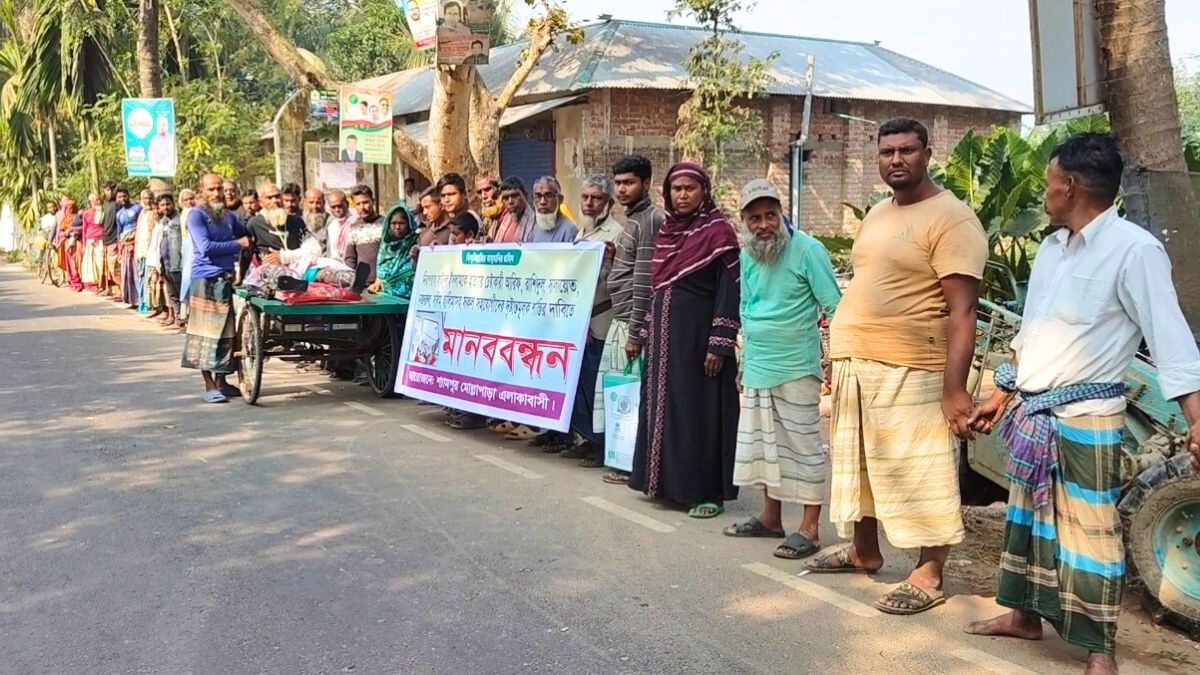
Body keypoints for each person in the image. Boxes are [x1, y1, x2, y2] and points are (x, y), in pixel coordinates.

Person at [963, 134, 1200, 675]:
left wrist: (1197, 420)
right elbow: (1034, 333)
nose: (1044, 193)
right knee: (1027, 519)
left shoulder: (1134, 251)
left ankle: (1099, 649)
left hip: (1089, 417)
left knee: (1090, 534)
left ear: (1069, 186)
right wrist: (1002, 393)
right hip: (1035, 413)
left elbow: (1171, 340)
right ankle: (1024, 615)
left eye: (1049, 183)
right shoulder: (1051, 249)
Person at [805, 117, 986, 617]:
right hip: (858, 366)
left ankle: (928, 573)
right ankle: (865, 550)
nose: (896, 160)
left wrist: (955, 390)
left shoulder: (952, 219)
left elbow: (963, 311)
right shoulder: (879, 213)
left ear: (929, 154)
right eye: (887, 152)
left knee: (919, 471)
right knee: (861, 465)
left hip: (913, 367)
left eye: (907, 150)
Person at [721, 179, 841, 559]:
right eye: (754, 218)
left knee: (804, 447)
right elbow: (746, 306)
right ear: (743, 220)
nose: (763, 225)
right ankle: (771, 517)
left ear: (781, 213)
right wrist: (744, 360)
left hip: (796, 367)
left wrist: (838, 361)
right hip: (758, 365)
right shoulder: (748, 253)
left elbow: (835, 307)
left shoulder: (808, 250)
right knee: (763, 445)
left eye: (770, 215)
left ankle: (810, 527)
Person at [627, 162, 741, 519]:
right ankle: (663, 483)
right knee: (665, 410)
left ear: (704, 191)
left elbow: (729, 291)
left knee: (699, 416)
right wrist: (644, 334)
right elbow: (657, 289)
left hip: (698, 345)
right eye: (676, 189)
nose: (683, 195)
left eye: (690, 188)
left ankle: (706, 492)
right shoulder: (668, 232)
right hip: (664, 344)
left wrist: (718, 344)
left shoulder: (718, 233)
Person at [591, 155, 665, 485]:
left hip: (631, 325)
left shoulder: (649, 220)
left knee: (631, 396)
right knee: (620, 395)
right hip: (622, 320)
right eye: (618, 183)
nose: (622, 189)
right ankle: (625, 461)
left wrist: (635, 332)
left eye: (629, 182)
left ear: (646, 184)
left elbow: (644, 279)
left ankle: (634, 465)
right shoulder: (633, 220)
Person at [560, 175, 625, 466]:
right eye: (585, 197)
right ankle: (586, 439)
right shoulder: (580, 232)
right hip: (579, 321)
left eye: (596, 198)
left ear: (608, 203)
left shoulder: (617, 234)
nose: (589, 203)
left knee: (596, 382)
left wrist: (610, 261)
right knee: (579, 385)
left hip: (602, 319)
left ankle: (601, 446)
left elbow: (621, 281)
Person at [181, 173, 252, 403]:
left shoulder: (229, 217)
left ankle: (222, 381)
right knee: (205, 333)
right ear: (202, 191)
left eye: (219, 188)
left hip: (225, 280)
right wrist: (237, 244)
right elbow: (205, 247)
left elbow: (247, 233)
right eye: (211, 189)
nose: (216, 193)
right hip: (204, 280)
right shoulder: (196, 215)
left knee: (226, 333)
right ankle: (209, 384)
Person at [367, 204, 419, 300]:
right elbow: (380, 276)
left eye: (402, 223)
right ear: (388, 224)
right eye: (393, 223)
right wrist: (377, 283)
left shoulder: (416, 243)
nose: (397, 227)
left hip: (408, 300)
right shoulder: (385, 246)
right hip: (384, 299)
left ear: (409, 224)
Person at [246, 181, 306, 259]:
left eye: (277, 196)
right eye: (269, 198)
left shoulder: (296, 221)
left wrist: (286, 257)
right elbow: (247, 252)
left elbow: (311, 246)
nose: (275, 201)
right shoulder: (254, 224)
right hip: (268, 268)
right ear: (260, 202)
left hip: (296, 265)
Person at [342, 184, 385, 285]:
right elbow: (350, 258)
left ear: (373, 201)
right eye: (358, 204)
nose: (362, 207)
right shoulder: (354, 228)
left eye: (365, 202)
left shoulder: (385, 224)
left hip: (382, 283)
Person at [157, 192, 183, 328]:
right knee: (172, 293)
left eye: (168, 204)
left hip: (177, 264)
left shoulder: (179, 220)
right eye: (162, 205)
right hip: (165, 264)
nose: (165, 207)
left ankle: (183, 320)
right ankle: (178, 319)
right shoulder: (163, 222)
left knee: (181, 293)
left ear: (173, 204)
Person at [529, 176, 577, 243]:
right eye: (538, 196)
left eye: (548, 195)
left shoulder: (569, 230)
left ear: (560, 199)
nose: (542, 202)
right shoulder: (534, 227)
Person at [116, 188, 142, 308]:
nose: (122, 199)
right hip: (125, 247)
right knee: (127, 273)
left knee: (138, 272)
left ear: (128, 195)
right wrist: (119, 248)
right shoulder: (119, 214)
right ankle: (132, 300)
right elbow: (119, 231)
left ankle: (141, 300)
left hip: (137, 245)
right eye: (119, 197)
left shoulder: (137, 208)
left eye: (124, 196)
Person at [144, 193, 169, 319]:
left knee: (163, 288)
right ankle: (159, 309)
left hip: (160, 260)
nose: (156, 211)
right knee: (154, 287)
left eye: (157, 208)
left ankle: (166, 311)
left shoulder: (165, 223)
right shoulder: (157, 223)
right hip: (152, 258)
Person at [133, 188, 156, 311]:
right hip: (141, 250)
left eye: (150, 198)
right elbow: (138, 233)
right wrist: (136, 250)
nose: (148, 201)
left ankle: (150, 304)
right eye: (145, 198)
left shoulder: (155, 212)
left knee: (149, 278)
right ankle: (143, 303)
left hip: (151, 250)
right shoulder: (142, 212)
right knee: (141, 276)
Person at [492, 177, 534, 243]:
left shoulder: (535, 223)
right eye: (506, 198)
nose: (510, 201)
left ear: (525, 196)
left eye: (515, 196)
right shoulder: (502, 220)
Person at [55, 199, 83, 292]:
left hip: (78, 243)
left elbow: (83, 227)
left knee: (78, 263)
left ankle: (80, 282)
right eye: (68, 208)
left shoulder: (78, 217)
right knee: (70, 264)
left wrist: (73, 231)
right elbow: (60, 233)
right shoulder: (64, 220)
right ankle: (74, 283)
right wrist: (66, 233)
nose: (70, 210)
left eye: (72, 207)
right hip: (68, 245)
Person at [80, 193, 106, 293]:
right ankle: (92, 284)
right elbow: (84, 229)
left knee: (100, 262)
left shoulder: (103, 211)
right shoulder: (86, 213)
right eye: (96, 200)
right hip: (90, 240)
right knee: (91, 264)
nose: (98, 202)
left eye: (99, 200)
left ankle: (101, 283)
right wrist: (84, 243)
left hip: (101, 239)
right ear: (91, 202)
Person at [178, 189, 197, 327]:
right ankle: (185, 314)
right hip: (186, 248)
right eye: (186, 200)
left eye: (191, 198)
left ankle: (193, 315)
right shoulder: (183, 214)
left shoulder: (196, 213)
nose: (189, 202)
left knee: (193, 280)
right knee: (186, 280)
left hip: (195, 249)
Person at [100, 182, 120, 297]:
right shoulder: (106, 204)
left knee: (115, 267)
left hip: (114, 238)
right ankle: (108, 288)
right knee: (106, 267)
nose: (110, 192)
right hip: (106, 237)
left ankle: (120, 289)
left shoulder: (117, 204)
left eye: (111, 190)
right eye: (107, 190)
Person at [326, 190, 355, 263]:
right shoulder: (331, 226)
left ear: (347, 204)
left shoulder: (355, 223)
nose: (337, 210)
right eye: (333, 207)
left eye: (339, 206)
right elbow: (332, 252)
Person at [474, 172, 503, 241]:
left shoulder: (512, 213)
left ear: (498, 188)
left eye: (487, 189)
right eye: (479, 192)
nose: (483, 196)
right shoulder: (481, 218)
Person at [302, 186, 329, 253]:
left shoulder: (330, 221)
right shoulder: (300, 221)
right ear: (305, 202)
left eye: (318, 203)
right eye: (311, 202)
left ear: (324, 203)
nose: (315, 206)